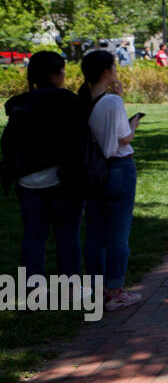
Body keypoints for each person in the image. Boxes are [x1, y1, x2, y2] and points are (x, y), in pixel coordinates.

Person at [1, 52, 86, 278]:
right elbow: (77, 140)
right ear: (54, 74)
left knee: (33, 236)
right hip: (62, 177)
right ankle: (68, 285)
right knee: (66, 235)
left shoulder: (19, 106)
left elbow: (9, 144)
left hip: (27, 180)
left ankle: (32, 289)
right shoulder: (66, 100)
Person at [80, 50, 143, 311]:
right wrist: (135, 122)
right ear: (106, 72)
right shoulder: (112, 102)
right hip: (118, 167)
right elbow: (124, 137)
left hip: (94, 170)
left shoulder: (86, 99)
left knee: (95, 231)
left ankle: (98, 287)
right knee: (118, 231)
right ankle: (115, 289)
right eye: (114, 67)